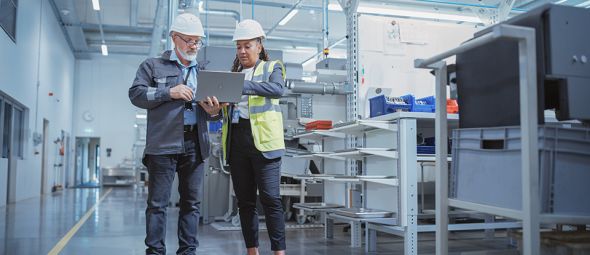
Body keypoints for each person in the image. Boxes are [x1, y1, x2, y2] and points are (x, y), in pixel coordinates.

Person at [128, 13, 225, 255]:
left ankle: (188, 251)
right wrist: (168, 92)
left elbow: (215, 115)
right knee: (158, 204)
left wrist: (214, 112)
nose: (194, 46)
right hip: (162, 144)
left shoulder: (205, 71)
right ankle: (155, 251)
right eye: (189, 40)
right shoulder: (152, 66)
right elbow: (136, 95)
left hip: (196, 143)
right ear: (174, 37)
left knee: (191, 204)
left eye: (197, 41)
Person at [221, 19, 287, 255]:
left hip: (265, 143)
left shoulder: (271, 67)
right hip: (237, 142)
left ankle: (279, 252)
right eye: (238, 46)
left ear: (259, 45)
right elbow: (226, 110)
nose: (242, 51)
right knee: (245, 203)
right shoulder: (232, 75)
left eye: (247, 46)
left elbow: (278, 89)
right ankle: (252, 251)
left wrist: (243, 86)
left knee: (271, 199)